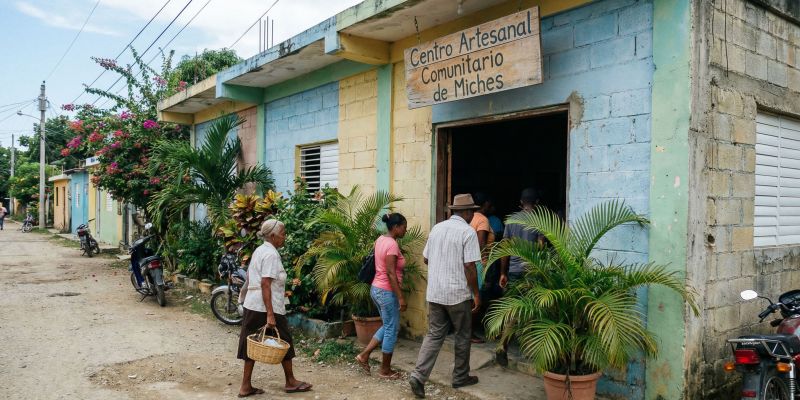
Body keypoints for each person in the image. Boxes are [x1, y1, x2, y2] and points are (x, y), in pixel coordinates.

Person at [409, 194, 482, 398]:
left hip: (436, 292)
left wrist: (442, 265)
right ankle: (460, 377)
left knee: (434, 335)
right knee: (463, 335)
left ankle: (418, 375)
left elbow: (425, 259)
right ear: (466, 212)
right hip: (458, 294)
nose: (473, 214)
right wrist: (476, 293)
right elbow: (469, 266)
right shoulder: (468, 233)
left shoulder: (437, 228)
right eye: (472, 211)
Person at [238, 219, 312, 397]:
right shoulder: (271, 254)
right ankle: (290, 381)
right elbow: (265, 283)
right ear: (272, 236)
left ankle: (246, 386)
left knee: (251, 342)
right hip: (266, 306)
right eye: (282, 234)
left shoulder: (260, 250)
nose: (284, 237)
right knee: (284, 340)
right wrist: (270, 314)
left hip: (254, 304)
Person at [355, 213, 409, 379]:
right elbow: (391, 273)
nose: (406, 230)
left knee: (387, 325)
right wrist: (400, 297)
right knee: (392, 329)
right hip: (387, 291)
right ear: (395, 227)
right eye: (404, 227)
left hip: (376, 288)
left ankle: (364, 355)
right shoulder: (392, 244)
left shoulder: (380, 239)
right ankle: (385, 370)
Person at [495, 188, 545, 366]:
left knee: (513, 309)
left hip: (514, 271)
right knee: (531, 309)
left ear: (521, 202)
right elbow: (540, 247)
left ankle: (503, 345)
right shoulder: (539, 221)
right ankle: (529, 349)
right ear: (537, 203)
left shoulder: (511, 220)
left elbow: (505, 249)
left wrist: (503, 273)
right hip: (531, 271)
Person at [468, 193, 495, 344]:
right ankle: (470, 333)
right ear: (484, 204)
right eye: (489, 204)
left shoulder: (469, 218)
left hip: (468, 262)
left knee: (470, 297)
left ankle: (468, 331)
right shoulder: (482, 220)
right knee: (477, 298)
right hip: (480, 263)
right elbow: (481, 244)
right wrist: (485, 263)